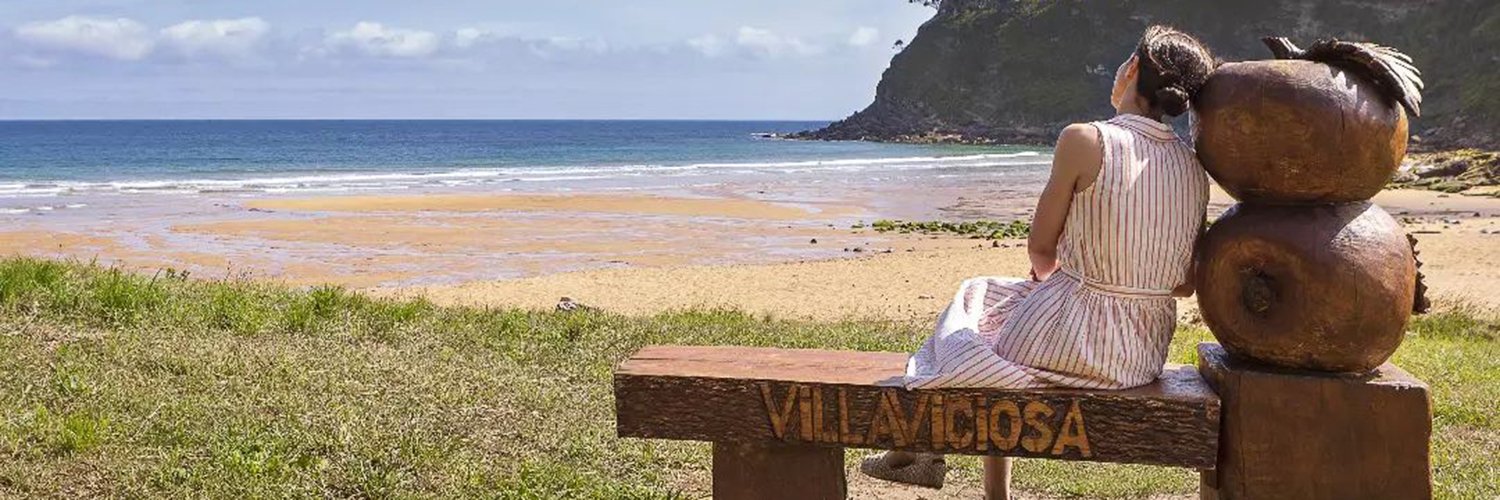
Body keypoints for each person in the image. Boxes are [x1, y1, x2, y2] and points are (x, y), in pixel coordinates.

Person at [859, 25, 1218, 499]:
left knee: (978, 300)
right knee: (1007, 319)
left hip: (1074, 336)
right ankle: (934, 459)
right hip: (1141, 352)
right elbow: (1183, 286)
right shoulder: (1194, 169)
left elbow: (1040, 249)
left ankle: (922, 451)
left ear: (1132, 69)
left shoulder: (1086, 140)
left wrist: (1061, 283)